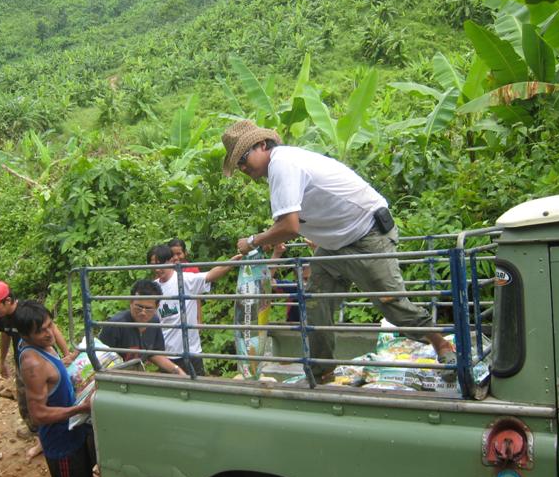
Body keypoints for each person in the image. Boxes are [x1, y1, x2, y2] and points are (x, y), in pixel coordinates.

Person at [221, 119, 455, 383]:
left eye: (243, 158)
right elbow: (304, 214)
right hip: (335, 245)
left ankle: (443, 346)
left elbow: (289, 227)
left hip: (366, 233)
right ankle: (321, 373)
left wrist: (253, 241)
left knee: (390, 302)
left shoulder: (282, 164)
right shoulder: (284, 164)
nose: (242, 168)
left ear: (262, 145)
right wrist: (290, 237)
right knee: (315, 304)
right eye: (237, 165)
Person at [13, 301, 95, 477]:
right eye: (41, 331)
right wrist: (80, 409)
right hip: (61, 440)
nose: (49, 333)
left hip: (73, 429)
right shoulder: (33, 364)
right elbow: (38, 414)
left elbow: (54, 386)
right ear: (26, 335)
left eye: (50, 325)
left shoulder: (44, 346)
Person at [0, 280, 76, 459]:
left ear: (8, 301)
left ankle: (50, 438)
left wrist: (66, 354)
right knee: (26, 405)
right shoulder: (2, 317)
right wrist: (2, 361)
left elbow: (52, 328)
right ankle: (41, 438)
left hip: (44, 365)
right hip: (24, 367)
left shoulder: (28, 313)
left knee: (52, 401)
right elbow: (5, 335)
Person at [147, 244, 242, 376]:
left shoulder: (185, 279)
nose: (157, 269)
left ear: (169, 261)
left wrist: (232, 262)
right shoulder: (153, 288)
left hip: (190, 352)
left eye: (160, 264)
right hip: (166, 355)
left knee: (196, 386)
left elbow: (211, 275)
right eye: (153, 265)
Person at [98, 279, 186, 375]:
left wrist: (177, 370)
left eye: (148, 308)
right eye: (139, 307)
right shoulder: (115, 325)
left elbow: (154, 353)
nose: (143, 312)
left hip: (136, 374)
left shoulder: (154, 321)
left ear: (157, 307)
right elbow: (99, 358)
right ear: (131, 302)